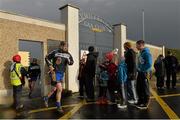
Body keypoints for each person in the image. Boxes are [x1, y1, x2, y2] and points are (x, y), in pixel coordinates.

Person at [44, 41, 74, 113]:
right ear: (61, 46)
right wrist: (50, 66)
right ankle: (58, 106)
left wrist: (68, 61)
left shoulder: (68, 54)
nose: (66, 48)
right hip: (55, 73)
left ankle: (46, 98)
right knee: (60, 89)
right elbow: (47, 57)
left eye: (67, 46)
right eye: (65, 46)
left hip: (61, 74)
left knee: (54, 89)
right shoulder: (55, 52)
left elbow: (72, 62)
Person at [135, 40, 152, 109]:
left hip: (145, 73)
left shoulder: (147, 53)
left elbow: (149, 64)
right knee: (139, 87)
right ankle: (140, 101)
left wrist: (142, 69)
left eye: (137, 45)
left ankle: (145, 103)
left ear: (141, 45)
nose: (136, 47)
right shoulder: (141, 53)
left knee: (145, 88)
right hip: (140, 72)